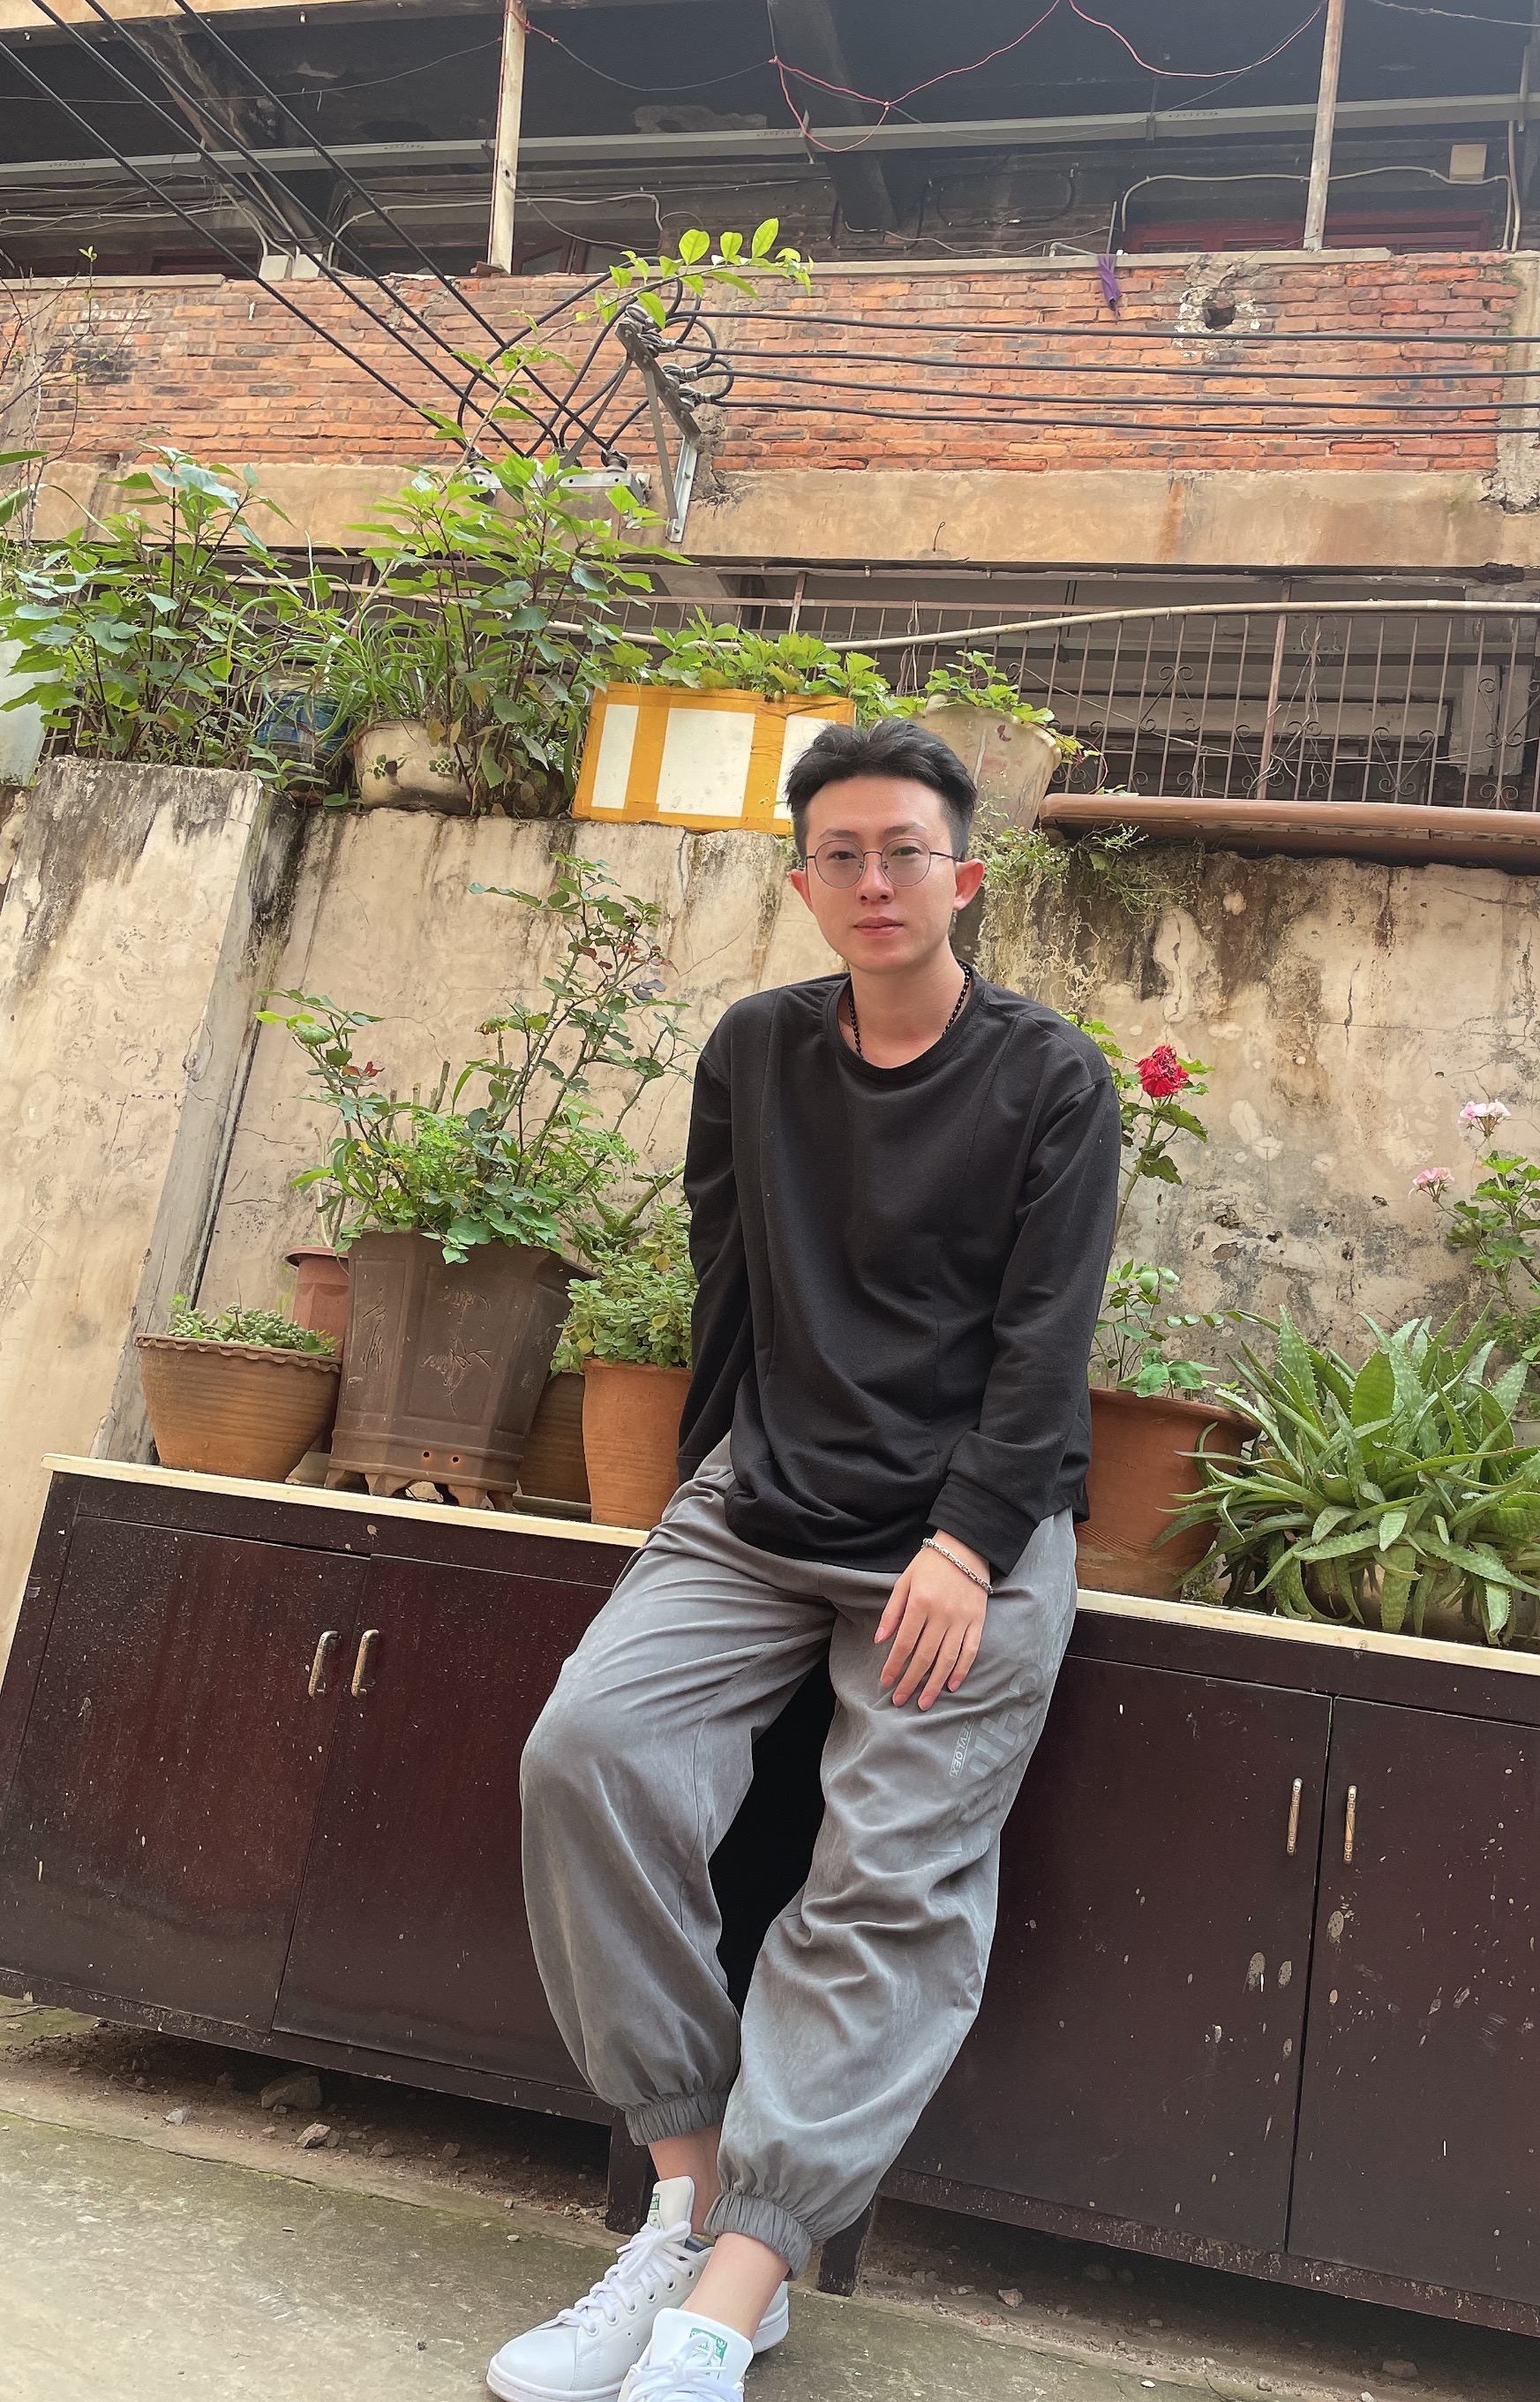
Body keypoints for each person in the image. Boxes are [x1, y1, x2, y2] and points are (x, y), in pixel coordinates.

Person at [486, 715, 1122, 2402]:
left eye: (905, 851)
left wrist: (969, 1545)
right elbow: (731, 1290)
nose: (874, 880)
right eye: (841, 854)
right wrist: (694, 1502)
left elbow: (1046, 1345)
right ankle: (685, 2199)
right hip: (760, 1507)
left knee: (886, 1883)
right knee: (588, 1754)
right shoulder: (756, 1050)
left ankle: (736, 2290)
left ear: (964, 878)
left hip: (962, 1537)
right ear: (804, 885)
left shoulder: (1051, 1079)